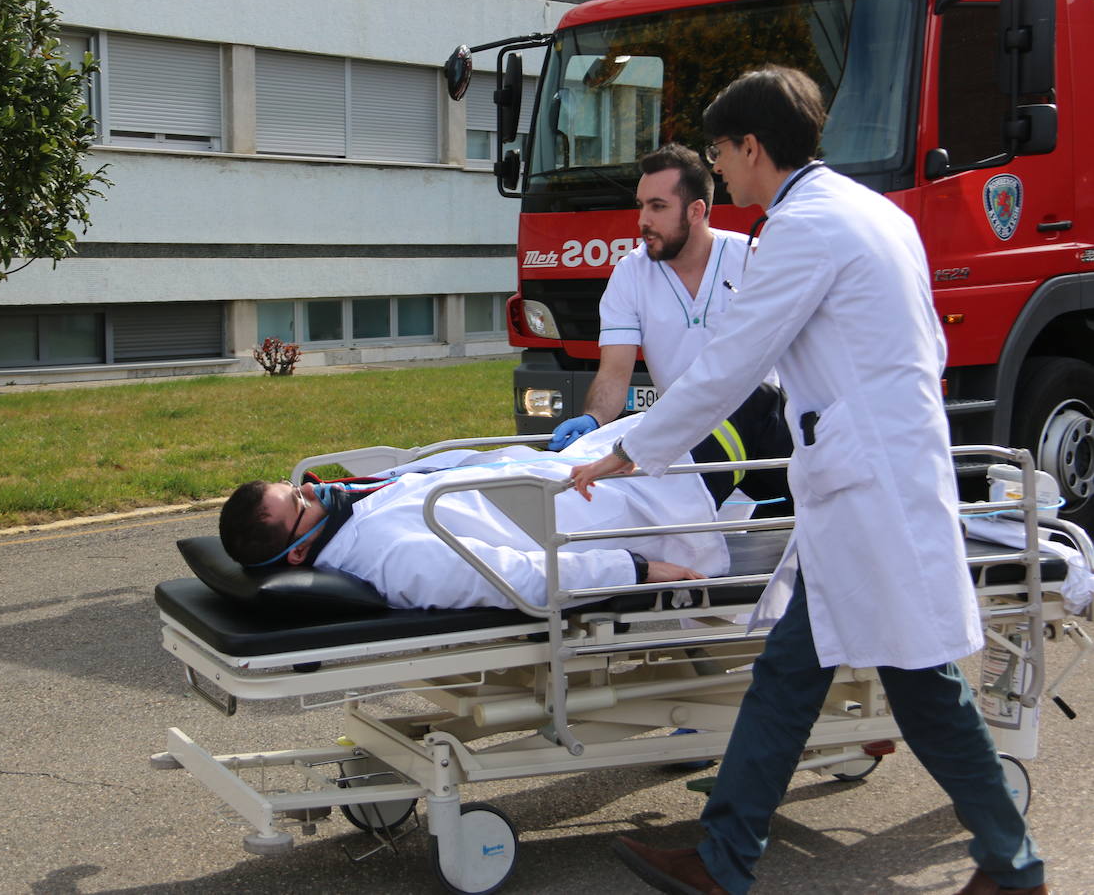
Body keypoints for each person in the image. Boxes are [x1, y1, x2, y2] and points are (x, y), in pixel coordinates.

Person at [571, 67, 1045, 895]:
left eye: (719, 154)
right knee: (795, 676)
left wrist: (635, 449)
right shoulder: (871, 211)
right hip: (873, 472)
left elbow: (733, 359)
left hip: (869, 487)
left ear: (752, 148)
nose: (718, 170)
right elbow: (924, 346)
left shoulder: (803, 228)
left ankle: (1012, 864)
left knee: (920, 680)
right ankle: (725, 858)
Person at [220, 385, 790, 611]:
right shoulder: (393, 556)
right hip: (618, 506)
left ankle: (789, 501)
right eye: (302, 501)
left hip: (579, 471)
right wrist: (637, 568)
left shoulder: (352, 520)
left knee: (738, 419)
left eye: (299, 485)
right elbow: (520, 577)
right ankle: (824, 510)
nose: (317, 488)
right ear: (296, 553)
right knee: (755, 410)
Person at [548, 143, 753, 453]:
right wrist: (594, 419)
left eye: (658, 207)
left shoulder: (756, 260)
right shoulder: (631, 272)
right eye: (641, 205)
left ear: (696, 211)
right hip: (682, 442)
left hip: (761, 440)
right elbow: (615, 372)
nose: (643, 220)